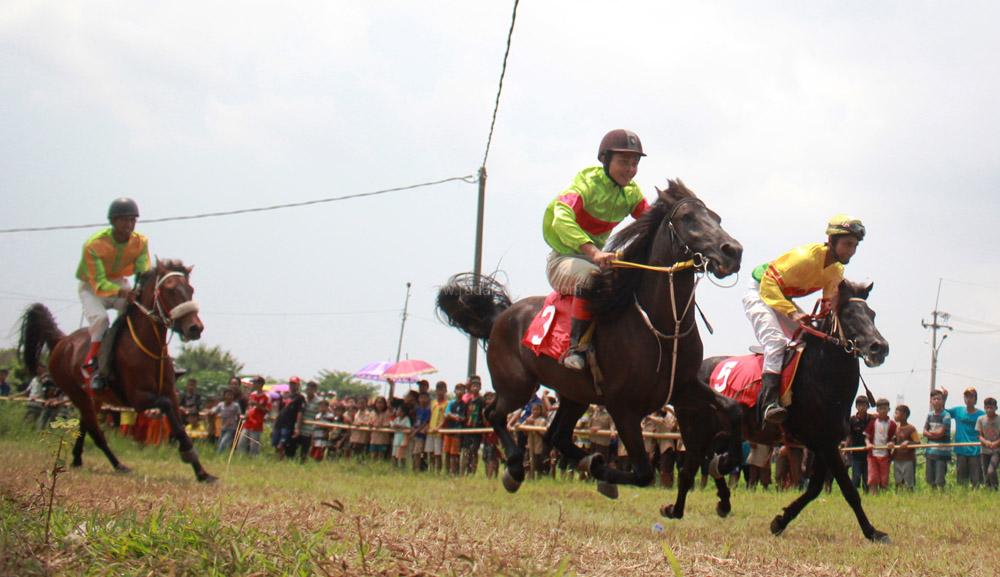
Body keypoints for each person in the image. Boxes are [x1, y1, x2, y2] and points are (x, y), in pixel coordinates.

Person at [542, 129, 650, 370]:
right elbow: (561, 216)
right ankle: (576, 348)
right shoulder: (586, 183)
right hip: (564, 260)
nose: (630, 169)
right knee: (593, 279)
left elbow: (653, 222)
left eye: (635, 163)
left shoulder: (631, 193)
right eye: (624, 162)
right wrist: (594, 252)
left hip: (594, 261)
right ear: (605, 159)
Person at [743, 215, 866, 425]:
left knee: (811, 338)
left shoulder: (836, 270)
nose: (851, 251)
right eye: (847, 244)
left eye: (854, 246)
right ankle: (769, 403)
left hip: (782, 297)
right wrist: (792, 313)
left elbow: (828, 305)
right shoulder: (805, 258)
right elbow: (768, 284)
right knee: (775, 342)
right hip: (760, 290)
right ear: (831, 241)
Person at [76, 198, 150, 391]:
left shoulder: (141, 242)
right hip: (92, 288)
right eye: (125, 220)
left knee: (139, 310)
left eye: (133, 220)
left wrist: (139, 290)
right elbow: (99, 283)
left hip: (119, 283)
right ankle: (91, 364)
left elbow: (143, 271)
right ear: (113, 221)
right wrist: (123, 292)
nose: (130, 224)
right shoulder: (94, 245)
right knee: (101, 320)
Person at [942, 387, 986, 488]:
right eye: (966, 396)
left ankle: (977, 495)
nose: (968, 399)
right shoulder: (958, 410)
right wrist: (944, 398)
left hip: (975, 449)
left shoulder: (981, 415)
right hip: (961, 449)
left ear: (975, 399)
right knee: (961, 477)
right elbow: (944, 412)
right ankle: (962, 495)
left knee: (976, 478)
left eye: (971, 396)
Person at [863, 398, 896, 494]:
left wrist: (892, 443)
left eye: (885, 408)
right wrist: (868, 444)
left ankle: (884, 496)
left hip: (885, 455)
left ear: (888, 410)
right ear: (877, 410)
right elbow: (866, 437)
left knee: (884, 478)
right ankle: (874, 495)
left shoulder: (892, 424)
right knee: (873, 477)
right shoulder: (873, 423)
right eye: (880, 408)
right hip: (872, 455)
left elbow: (894, 438)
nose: (882, 411)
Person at [923, 389, 952, 489]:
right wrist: (933, 434)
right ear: (931, 401)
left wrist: (930, 433)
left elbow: (941, 433)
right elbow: (924, 431)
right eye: (934, 399)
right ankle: (933, 496)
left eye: (939, 399)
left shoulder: (946, 415)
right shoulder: (929, 415)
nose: (936, 401)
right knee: (929, 478)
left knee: (940, 478)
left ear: (942, 401)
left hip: (942, 452)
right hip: (930, 451)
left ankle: (941, 495)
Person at [272, 377, 305, 460]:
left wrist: (297, 428)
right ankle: (278, 459)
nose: (292, 385)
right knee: (275, 442)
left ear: (298, 385)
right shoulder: (284, 396)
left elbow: (300, 412)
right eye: (291, 383)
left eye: (294, 384)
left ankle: (282, 460)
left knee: (282, 444)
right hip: (279, 423)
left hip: (288, 424)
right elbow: (279, 411)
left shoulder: (300, 398)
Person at [238, 377, 271, 456]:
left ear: (261, 384)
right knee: (241, 443)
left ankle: (254, 460)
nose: (253, 385)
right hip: (248, 422)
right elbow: (249, 407)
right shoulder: (252, 394)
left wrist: (257, 405)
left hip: (257, 423)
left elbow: (267, 410)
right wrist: (245, 415)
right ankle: (240, 458)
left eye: (255, 383)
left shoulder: (266, 396)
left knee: (254, 445)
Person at [891, 404, 921, 490]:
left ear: (904, 415)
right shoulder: (896, 428)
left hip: (908, 459)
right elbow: (894, 440)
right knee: (898, 480)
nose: (895, 415)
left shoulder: (911, 428)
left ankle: (909, 496)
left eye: (897, 413)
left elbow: (918, 443)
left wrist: (908, 442)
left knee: (908, 481)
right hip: (897, 459)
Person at [847, 395, 872, 492]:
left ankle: (867, 494)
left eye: (864, 405)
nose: (862, 407)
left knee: (867, 477)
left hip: (868, 453)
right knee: (856, 477)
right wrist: (846, 448)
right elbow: (849, 435)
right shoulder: (852, 420)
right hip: (856, 453)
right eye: (859, 405)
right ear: (856, 407)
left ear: (867, 406)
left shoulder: (871, 418)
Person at [442, 383, 467, 475]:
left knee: (454, 453)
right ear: (454, 391)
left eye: (462, 389)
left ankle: (454, 472)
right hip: (449, 430)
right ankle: (446, 472)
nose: (460, 391)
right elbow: (446, 414)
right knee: (447, 452)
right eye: (458, 389)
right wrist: (453, 416)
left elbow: (463, 418)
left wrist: (453, 416)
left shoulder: (464, 405)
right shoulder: (451, 403)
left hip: (457, 431)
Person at [462, 376, 485, 476]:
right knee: (467, 450)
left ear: (480, 388)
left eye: (477, 386)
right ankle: (466, 469)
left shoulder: (482, 401)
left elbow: (483, 414)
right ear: (470, 388)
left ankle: (473, 471)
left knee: (474, 450)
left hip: (477, 427)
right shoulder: (468, 401)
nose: (475, 388)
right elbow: (466, 414)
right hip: (468, 427)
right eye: (473, 386)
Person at [296, 381, 323, 463]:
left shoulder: (319, 401)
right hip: (299, 426)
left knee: (305, 448)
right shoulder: (302, 398)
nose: (309, 391)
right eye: (308, 389)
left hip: (310, 428)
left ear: (315, 390)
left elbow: (323, 412)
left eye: (311, 389)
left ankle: (303, 463)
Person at [976, 397, 999, 489]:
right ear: (984, 408)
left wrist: (995, 443)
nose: (989, 410)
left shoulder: (999, 419)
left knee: (991, 470)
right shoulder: (981, 419)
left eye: (991, 408)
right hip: (984, 450)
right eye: (987, 407)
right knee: (986, 473)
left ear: (996, 408)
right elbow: (979, 435)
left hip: (996, 450)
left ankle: (995, 488)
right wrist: (985, 441)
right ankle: (989, 491)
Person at [210, 389, 243, 454]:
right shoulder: (221, 405)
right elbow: (214, 412)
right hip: (222, 427)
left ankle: (218, 454)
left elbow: (239, 416)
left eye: (231, 395)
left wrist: (238, 427)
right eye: (227, 395)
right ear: (224, 396)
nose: (229, 397)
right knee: (221, 442)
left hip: (231, 428)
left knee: (223, 442)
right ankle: (224, 455)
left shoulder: (235, 405)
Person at [425, 382, 448, 473]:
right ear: (436, 391)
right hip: (431, 430)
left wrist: (438, 427)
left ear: (445, 390)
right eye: (438, 389)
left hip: (439, 432)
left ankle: (438, 471)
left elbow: (445, 418)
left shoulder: (446, 404)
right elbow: (430, 416)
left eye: (442, 389)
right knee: (430, 452)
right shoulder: (433, 402)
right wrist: (428, 427)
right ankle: (430, 469)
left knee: (438, 453)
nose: (440, 392)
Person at [411, 392, 431, 472]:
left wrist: (416, 431)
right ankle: (414, 467)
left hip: (420, 435)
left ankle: (418, 469)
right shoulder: (418, 409)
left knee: (418, 452)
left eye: (424, 398)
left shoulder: (427, 410)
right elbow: (416, 420)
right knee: (414, 452)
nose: (422, 400)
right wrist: (413, 428)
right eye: (421, 398)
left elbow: (425, 422)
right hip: (416, 433)